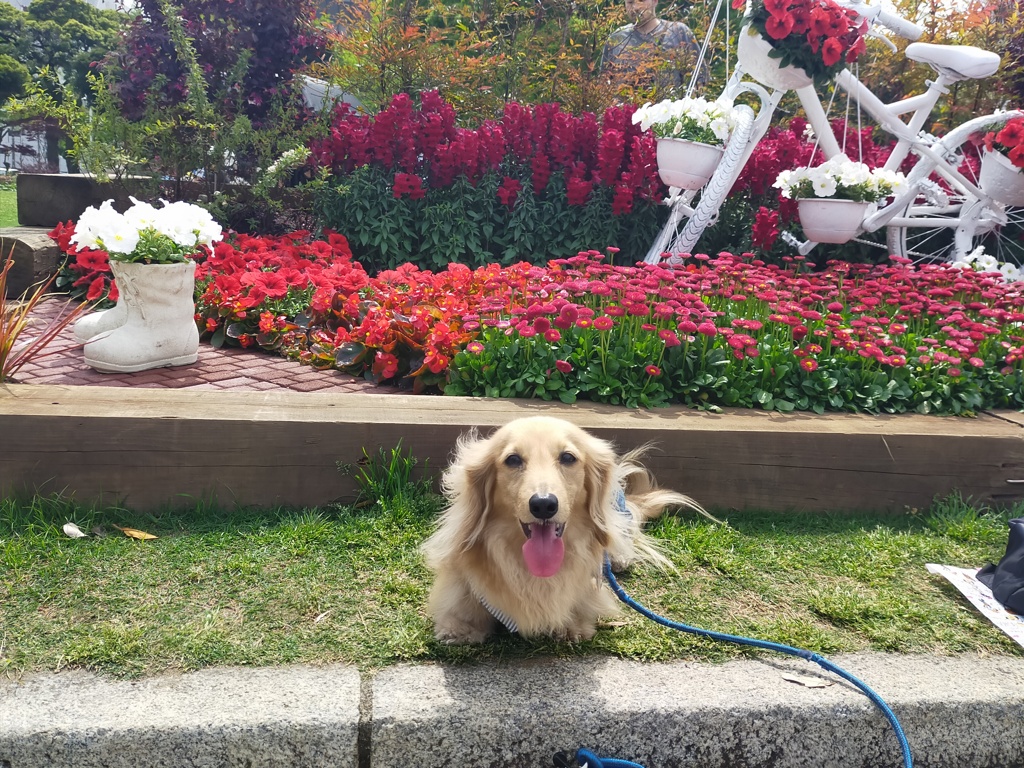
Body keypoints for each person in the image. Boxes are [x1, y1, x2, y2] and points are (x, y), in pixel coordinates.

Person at [599, 0, 709, 99]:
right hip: (627, 113)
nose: (635, 7)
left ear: (655, 1)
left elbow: (699, 82)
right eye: (630, 2)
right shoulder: (617, 39)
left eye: (641, 1)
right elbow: (603, 87)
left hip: (670, 113)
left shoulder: (678, 32)